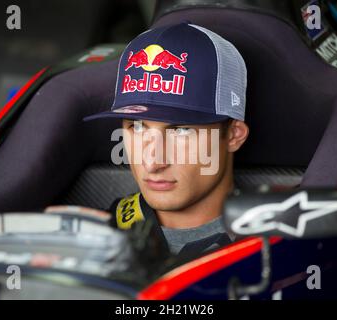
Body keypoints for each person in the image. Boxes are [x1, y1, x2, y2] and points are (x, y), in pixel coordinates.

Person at [82, 22, 249, 256]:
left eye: (180, 130)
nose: (153, 162)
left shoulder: (271, 250)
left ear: (233, 135)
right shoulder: (92, 239)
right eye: (137, 126)